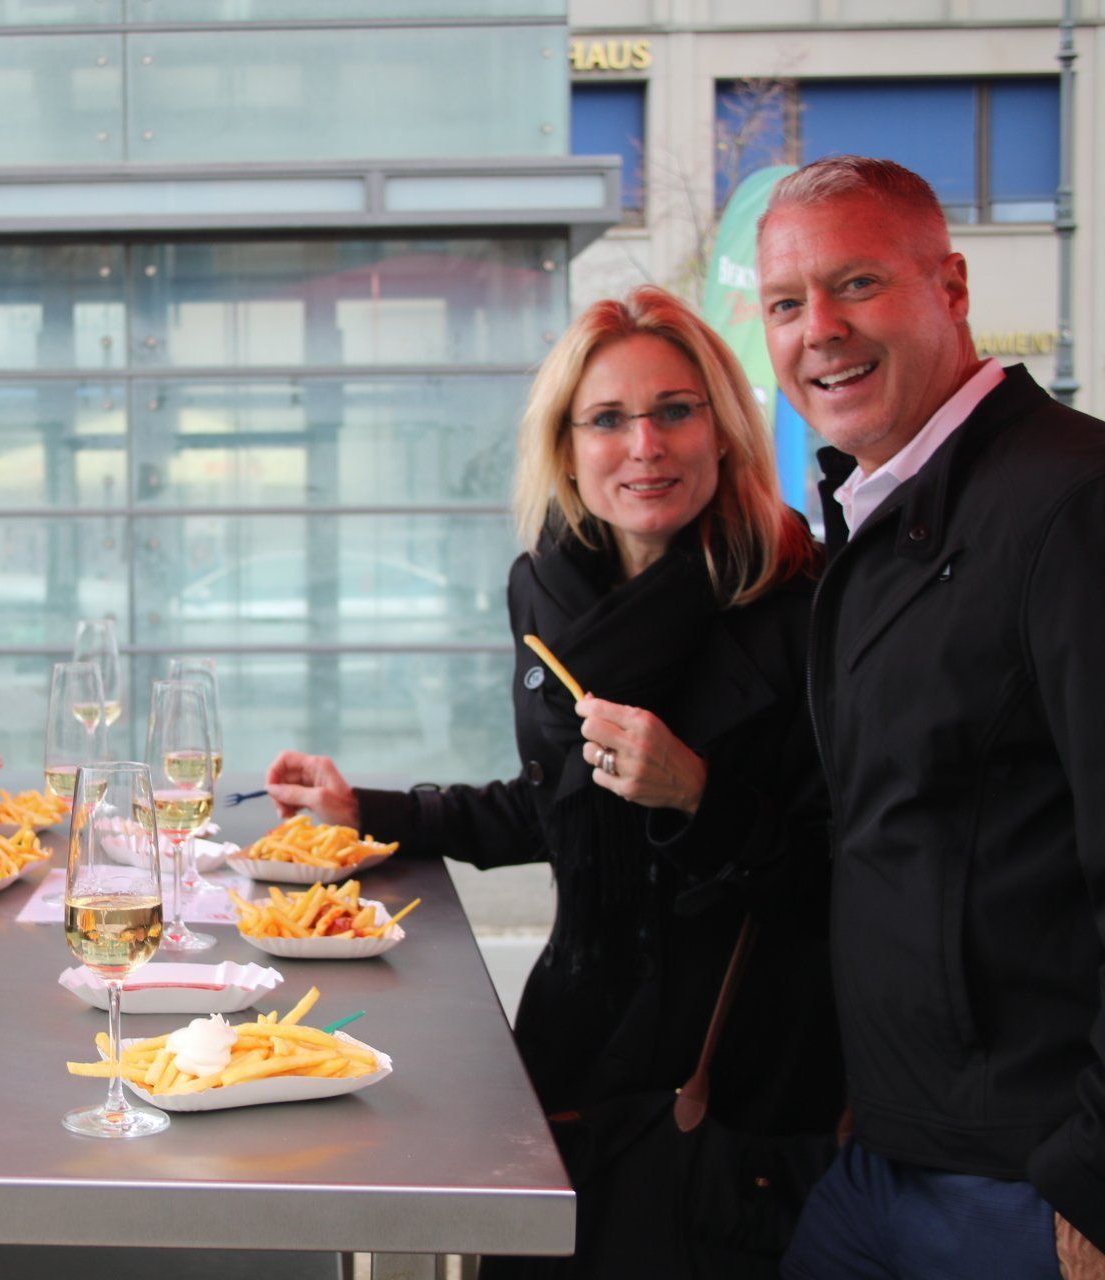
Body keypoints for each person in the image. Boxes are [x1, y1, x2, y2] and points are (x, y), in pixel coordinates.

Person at [265, 286, 842, 1276]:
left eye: (675, 410)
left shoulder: (797, 595)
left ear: (723, 427)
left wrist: (697, 797)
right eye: (608, 419)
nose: (645, 445)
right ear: (567, 445)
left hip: (727, 1084)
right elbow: (557, 805)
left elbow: (839, 874)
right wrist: (371, 810)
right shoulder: (547, 587)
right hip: (573, 1045)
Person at [758, 155, 1105, 1280]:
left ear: (950, 287)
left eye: (856, 283)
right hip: (885, 1154)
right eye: (784, 302)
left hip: (1027, 1185)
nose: (820, 329)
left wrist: (1093, 1181)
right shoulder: (879, 509)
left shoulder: (1071, 501)